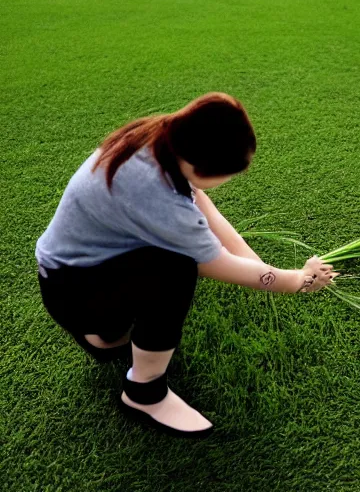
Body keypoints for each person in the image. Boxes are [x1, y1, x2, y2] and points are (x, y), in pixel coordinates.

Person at [36, 92, 338, 438]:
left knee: (161, 264)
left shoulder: (159, 139)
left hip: (68, 279)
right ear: (200, 166)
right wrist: (297, 280)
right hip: (77, 294)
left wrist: (260, 264)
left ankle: (104, 337)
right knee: (175, 268)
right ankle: (144, 392)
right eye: (228, 173)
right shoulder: (157, 195)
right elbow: (215, 262)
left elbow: (202, 206)